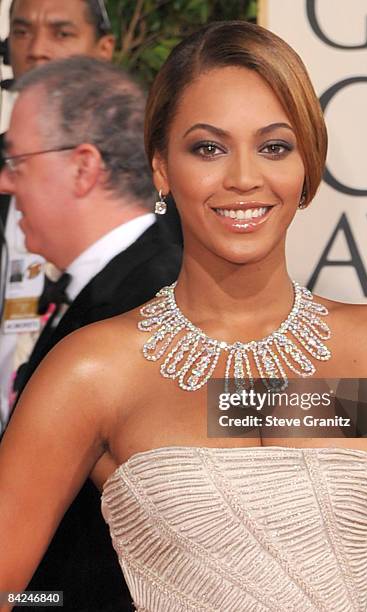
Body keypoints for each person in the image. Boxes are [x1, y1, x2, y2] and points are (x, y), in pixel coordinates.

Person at [0, 20, 367, 612]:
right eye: (208, 148)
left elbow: (244, 409)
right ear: (160, 167)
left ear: (306, 166)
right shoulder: (92, 372)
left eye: (274, 146)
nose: (243, 178)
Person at [0, 57, 182, 611]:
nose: (5, 181)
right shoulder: (112, 289)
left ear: (84, 167)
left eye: (16, 160)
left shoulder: (156, 301)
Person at [0, 0, 115, 431]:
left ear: (103, 50)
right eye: (23, 31)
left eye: (62, 33)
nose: (38, 50)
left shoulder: (150, 171)